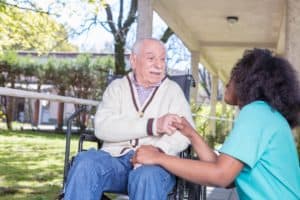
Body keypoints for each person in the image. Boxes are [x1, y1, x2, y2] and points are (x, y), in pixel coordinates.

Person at [133, 49, 300, 199]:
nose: (229, 80)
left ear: (250, 82)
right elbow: (229, 177)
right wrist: (191, 134)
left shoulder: (256, 113)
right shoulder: (268, 116)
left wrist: (158, 157)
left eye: (236, 74)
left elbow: (221, 176)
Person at [64, 38, 194, 200]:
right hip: (114, 161)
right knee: (85, 162)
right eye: (151, 58)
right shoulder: (117, 88)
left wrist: (158, 152)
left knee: (146, 176)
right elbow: (103, 127)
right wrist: (152, 125)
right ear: (133, 60)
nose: (159, 65)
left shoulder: (173, 92)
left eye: (162, 59)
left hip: (155, 166)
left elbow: (185, 133)